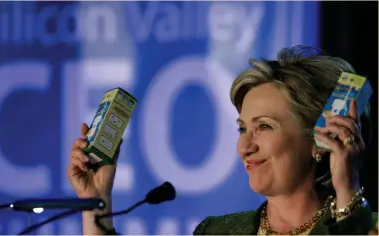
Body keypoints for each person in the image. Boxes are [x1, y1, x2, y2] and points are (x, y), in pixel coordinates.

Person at [67, 46, 378, 235]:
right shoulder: (217, 231)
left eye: (265, 127)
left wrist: (346, 189)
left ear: (318, 140)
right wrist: (96, 199)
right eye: (243, 129)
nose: (245, 147)